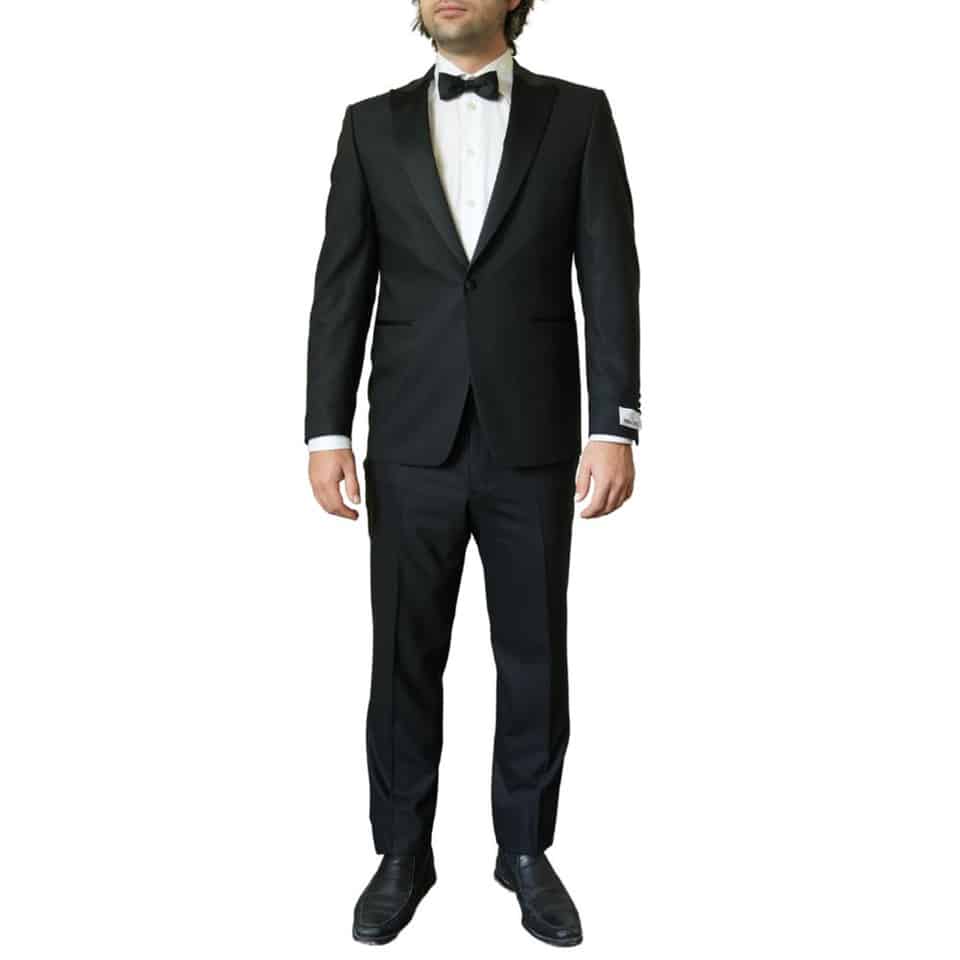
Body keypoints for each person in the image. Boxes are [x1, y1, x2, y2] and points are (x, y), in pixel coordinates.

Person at [305, 0, 640, 946]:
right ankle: (401, 851)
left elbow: (609, 275)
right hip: (409, 440)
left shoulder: (579, 116)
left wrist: (614, 425)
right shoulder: (368, 126)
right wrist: (325, 430)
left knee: (533, 656)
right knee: (402, 658)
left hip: (535, 440)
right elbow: (342, 282)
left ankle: (525, 850)